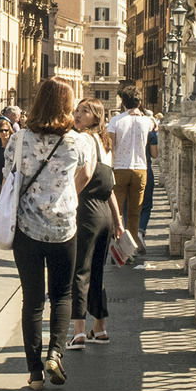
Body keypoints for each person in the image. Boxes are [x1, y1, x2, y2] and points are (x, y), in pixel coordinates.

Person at [4, 78, 95, 389]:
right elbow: (86, 174)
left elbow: (9, 176)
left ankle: (34, 372)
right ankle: (55, 353)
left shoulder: (18, 140)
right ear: (66, 106)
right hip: (63, 227)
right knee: (62, 295)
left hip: (26, 229)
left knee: (32, 299)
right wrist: (67, 196)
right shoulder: (78, 142)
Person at [68, 99, 117, 348]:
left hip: (86, 211)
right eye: (77, 110)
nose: (77, 114)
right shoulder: (105, 143)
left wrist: (68, 199)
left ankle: (78, 330)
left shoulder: (83, 139)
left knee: (79, 270)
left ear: (96, 116)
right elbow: (110, 187)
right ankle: (99, 328)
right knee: (97, 271)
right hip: (104, 214)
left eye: (84, 111)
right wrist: (117, 221)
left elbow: (86, 174)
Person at [107, 89, 153, 244]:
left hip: (120, 167)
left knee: (117, 211)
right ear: (139, 103)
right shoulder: (147, 121)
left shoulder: (116, 121)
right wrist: (141, 114)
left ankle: (117, 243)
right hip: (140, 169)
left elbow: (110, 145)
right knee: (135, 212)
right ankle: (130, 247)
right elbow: (156, 125)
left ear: (123, 103)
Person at [140, 110, 160, 247]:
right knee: (146, 205)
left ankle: (126, 235)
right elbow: (154, 155)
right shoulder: (151, 134)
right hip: (145, 169)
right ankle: (140, 231)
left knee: (127, 205)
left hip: (124, 168)